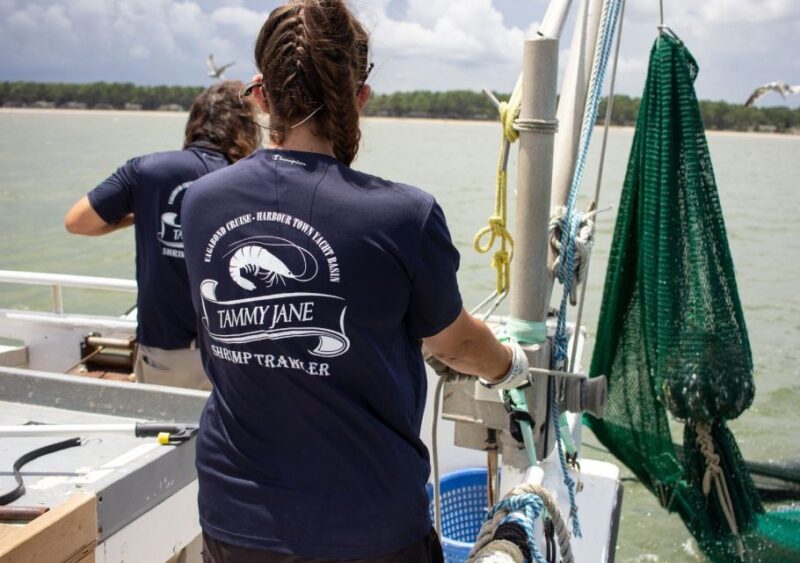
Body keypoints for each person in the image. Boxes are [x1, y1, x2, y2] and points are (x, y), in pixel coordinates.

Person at [180, 2, 529, 561]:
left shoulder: (200, 203)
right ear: (359, 98)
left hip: (234, 521)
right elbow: (454, 344)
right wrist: (510, 366)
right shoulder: (403, 215)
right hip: (368, 527)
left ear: (261, 96)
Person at [64, 81, 262, 390]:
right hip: (229, 353)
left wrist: (136, 216)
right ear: (245, 127)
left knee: (161, 434)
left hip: (163, 352)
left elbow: (78, 222)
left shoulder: (146, 171)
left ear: (194, 122)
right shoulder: (245, 180)